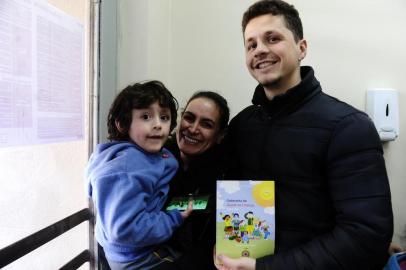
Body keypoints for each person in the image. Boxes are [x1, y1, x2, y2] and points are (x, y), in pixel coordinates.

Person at [217, 0, 394, 269]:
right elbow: (230, 204)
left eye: (272, 38)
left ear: (302, 48)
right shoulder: (242, 125)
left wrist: (263, 268)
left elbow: (365, 237)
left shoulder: (349, 126)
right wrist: (222, 244)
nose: (260, 50)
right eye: (251, 44)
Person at [85, 80, 192, 270]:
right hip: (137, 258)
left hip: (130, 251)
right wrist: (173, 218)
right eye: (146, 117)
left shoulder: (143, 154)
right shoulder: (128, 167)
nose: (158, 125)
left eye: (164, 117)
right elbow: (125, 229)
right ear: (122, 124)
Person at [155, 91, 230, 270]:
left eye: (206, 124)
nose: (193, 128)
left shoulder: (226, 179)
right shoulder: (153, 158)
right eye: (189, 118)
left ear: (220, 135)